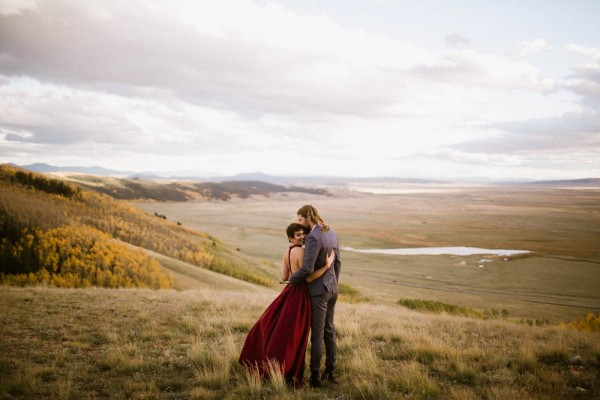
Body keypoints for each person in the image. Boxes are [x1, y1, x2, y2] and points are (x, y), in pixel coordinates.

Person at [239, 223, 335, 386]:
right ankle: (286, 371)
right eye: (298, 235)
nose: (303, 237)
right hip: (300, 296)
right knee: (295, 336)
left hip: (288, 293)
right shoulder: (302, 251)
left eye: (304, 234)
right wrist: (327, 265)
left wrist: (292, 276)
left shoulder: (287, 252)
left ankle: (271, 366)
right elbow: (309, 278)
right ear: (290, 237)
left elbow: (284, 276)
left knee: (280, 331)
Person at [288, 205, 341, 387]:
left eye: (301, 220)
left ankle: (315, 378)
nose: (300, 224)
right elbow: (338, 262)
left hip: (319, 291)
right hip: (333, 288)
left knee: (317, 334)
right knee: (329, 330)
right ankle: (330, 371)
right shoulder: (332, 232)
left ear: (308, 218)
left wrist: (292, 279)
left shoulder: (312, 237)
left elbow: (307, 269)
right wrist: (333, 283)